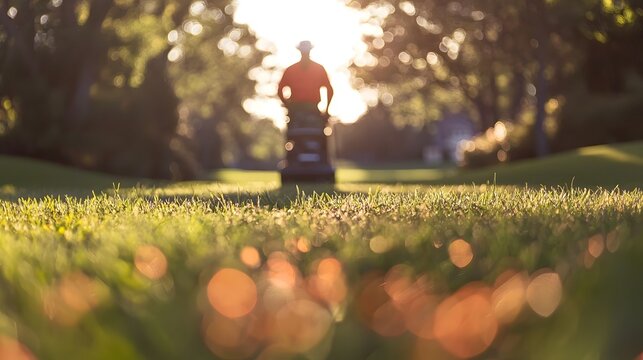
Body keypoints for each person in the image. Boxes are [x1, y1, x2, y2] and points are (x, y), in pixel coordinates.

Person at [278, 41, 334, 118]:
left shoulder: (291, 70)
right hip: (307, 110)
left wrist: (288, 106)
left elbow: (280, 90)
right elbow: (329, 90)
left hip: (298, 111)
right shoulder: (319, 69)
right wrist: (326, 111)